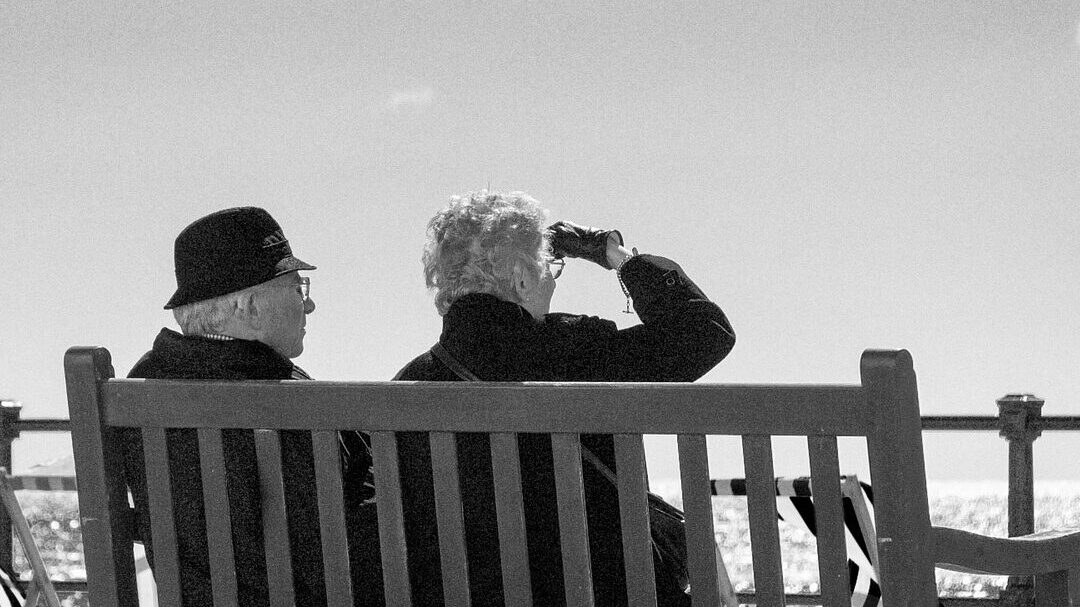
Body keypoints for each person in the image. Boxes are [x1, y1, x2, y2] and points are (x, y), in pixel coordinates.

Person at [390, 191, 736, 606]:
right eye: (550, 265)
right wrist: (617, 256)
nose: (553, 277)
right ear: (520, 279)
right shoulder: (577, 352)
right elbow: (706, 332)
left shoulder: (407, 388)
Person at [121, 207, 371, 606]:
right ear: (248, 307)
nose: (308, 306)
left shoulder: (137, 392)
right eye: (296, 288)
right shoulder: (298, 403)